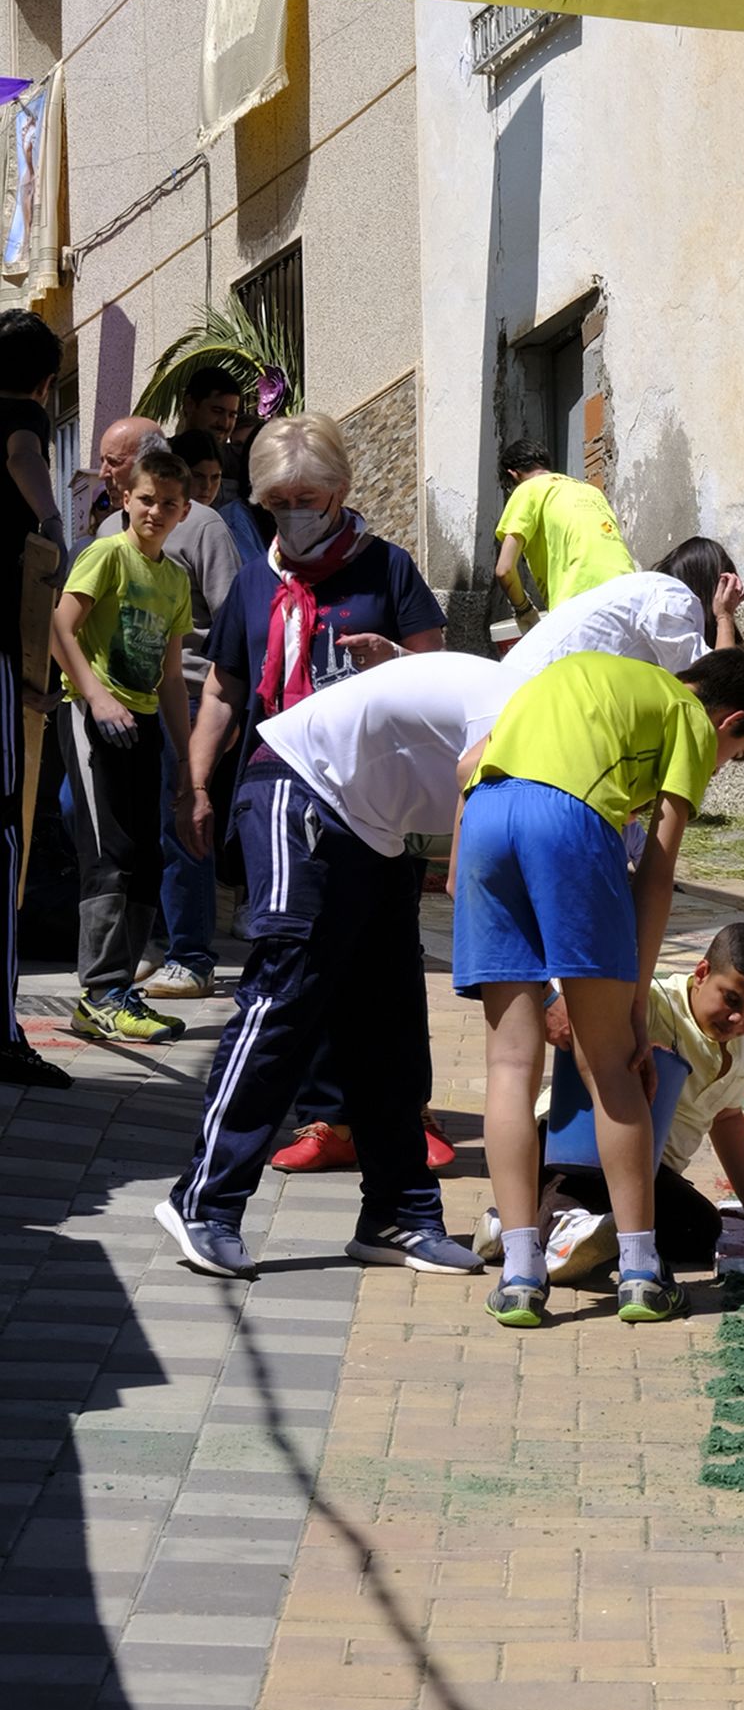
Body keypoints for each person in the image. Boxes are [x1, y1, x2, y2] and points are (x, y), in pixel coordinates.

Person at [453, 645, 744, 1329]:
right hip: (568, 823)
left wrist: (462, 871)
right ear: (730, 721)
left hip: (486, 814)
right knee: (613, 1063)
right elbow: (656, 873)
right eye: (734, 756)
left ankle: (519, 1274)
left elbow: (466, 765)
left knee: (510, 1065)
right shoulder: (687, 714)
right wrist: (636, 1007)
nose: (718, 768)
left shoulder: (581, 674)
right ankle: (639, 1272)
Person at [156, 652, 501, 1279]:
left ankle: (400, 1216)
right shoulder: (537, 705)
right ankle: (205, 1203)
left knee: (389, 1020)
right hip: (303, 785)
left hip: (378, 828)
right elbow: (473, 847)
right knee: (287, 996)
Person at [183, 412, 447, 1170]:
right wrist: (196, 782)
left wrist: (392, 658)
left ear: (341, 490)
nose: (294, 511)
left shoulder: (387, 568)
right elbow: (227, 691)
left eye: (309, 495)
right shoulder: (257, 580)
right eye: (278, 499)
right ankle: (327, 1118)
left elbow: (436, 678)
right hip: (279, 794)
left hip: (375, 792)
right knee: (298, 953)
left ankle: (403, 1110)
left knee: (386, 956)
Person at [540, 920, 744, 1281]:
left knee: (701, 1231)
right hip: (574, 1147)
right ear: (701, 973)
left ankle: (543, 1225)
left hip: (649, 1173)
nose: (737, 1019)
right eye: (731, 999)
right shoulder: (649, 1002)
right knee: (578, 1183)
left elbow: (726, 1116)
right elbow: (576, 995)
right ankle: (552, 1226)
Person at [52, 440, 197, 1044]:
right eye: (145, 500)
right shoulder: (105, 555)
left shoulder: (175, 579)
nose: (155, 512)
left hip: (143, 726)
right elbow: (59, 625)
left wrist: (189, 767)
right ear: (124, 499)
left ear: (184, 510)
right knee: (108, 854)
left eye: (168, 503)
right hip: (91, 717)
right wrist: (97, 695)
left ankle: (120, 990)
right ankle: (100, 992)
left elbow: (170, 676)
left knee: (147, 858)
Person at [95, 420, 239, 1002]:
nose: (104, 470)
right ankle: (141, 944)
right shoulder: (110, 529)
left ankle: (192, 954)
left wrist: (227, 713)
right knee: (124, 830)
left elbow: (233, 620)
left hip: (188, 696)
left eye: (112, 459)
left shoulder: (202, 526)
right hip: (119, 705)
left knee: (184, 818)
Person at [0, 309, 70, 1089]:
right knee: (7, 835)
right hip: (3, 657)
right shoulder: (21, 419)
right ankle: (2, 1032)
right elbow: (22, 451)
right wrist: (53, 521)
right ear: (47, 383)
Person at [498, 535, 744, 691]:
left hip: (518, 689)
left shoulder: (647, 590)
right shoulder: (672, 599)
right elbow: (713, 687)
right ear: (713, 588)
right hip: (524, 697)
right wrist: (724, 617)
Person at [493, 440, 634, 626]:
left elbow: (504, 570)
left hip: (579, 604)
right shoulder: (592, 492)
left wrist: (524, 610)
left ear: (513, 475)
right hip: (630, 595)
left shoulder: (527, 489)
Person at [181, 366, 247, 505]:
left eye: (232, 415)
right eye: (217, 411)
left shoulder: (242, 462)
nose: (224, 423)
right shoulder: (162, 456)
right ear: (190, 404)